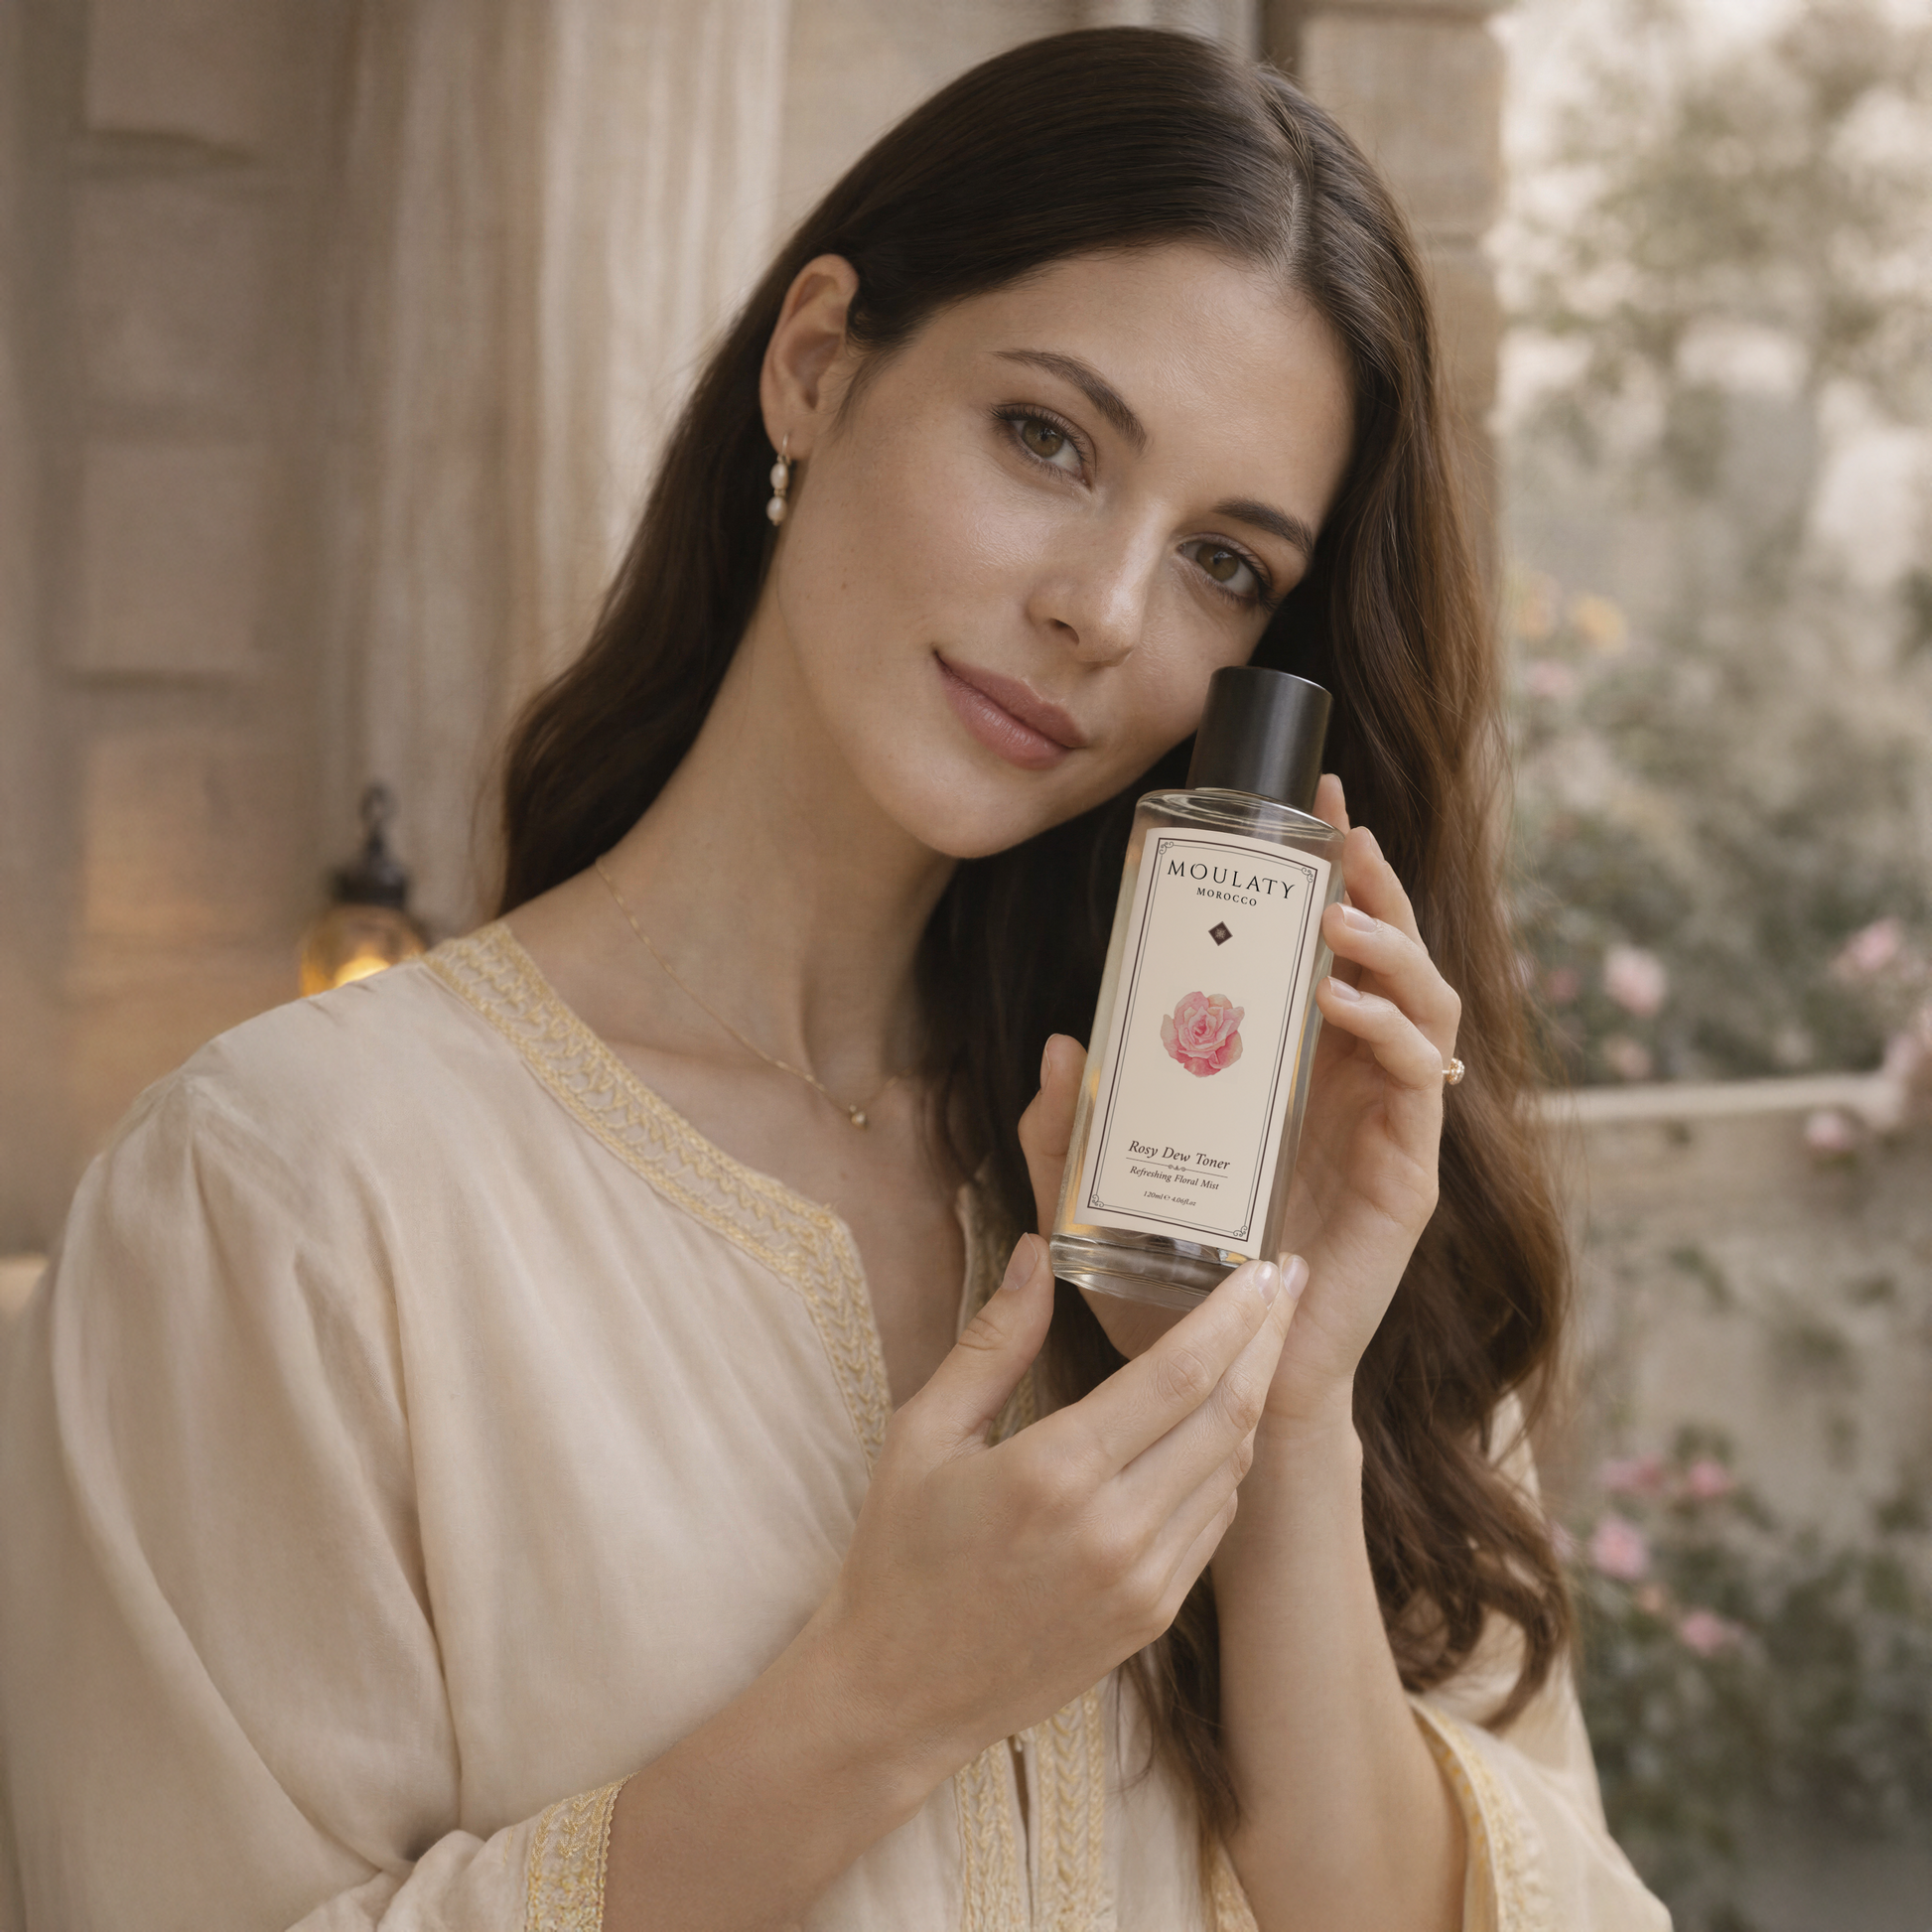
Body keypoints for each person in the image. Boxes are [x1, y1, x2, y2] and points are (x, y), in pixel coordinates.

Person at [0, 28, 1669, 1932]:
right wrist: (876, 1702)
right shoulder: (283, 1199)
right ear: (814, 364)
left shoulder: (1263, 1178)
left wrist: (1277, 1419)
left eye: (1221, 561)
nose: (1102, 610)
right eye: (1047, 438)